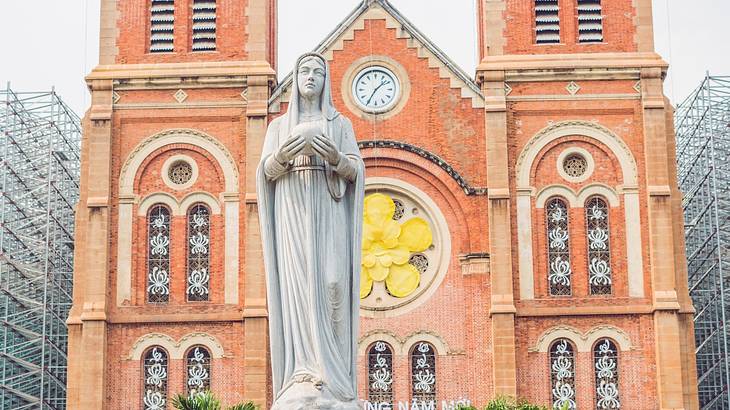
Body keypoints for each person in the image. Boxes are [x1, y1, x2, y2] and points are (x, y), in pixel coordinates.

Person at [256, 53, 364, 409]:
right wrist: (281, 157)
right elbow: (265, 173)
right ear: (296, 78)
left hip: (330, 211)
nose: (311, 76)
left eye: (319, 71)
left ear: (326, 81)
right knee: (298, 291)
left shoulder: (340, 124)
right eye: (305, 70)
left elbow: (356, 172)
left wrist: (336, 158)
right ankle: (303, 372)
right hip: (293, 213)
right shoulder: (277, 128)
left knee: (334, 283)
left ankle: (334, 377)